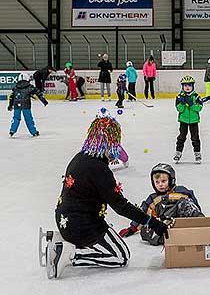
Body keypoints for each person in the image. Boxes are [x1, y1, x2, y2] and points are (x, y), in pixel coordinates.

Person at [45, 110, 170, 279]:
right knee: (120, 257)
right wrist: (152, 223)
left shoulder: (80, 157)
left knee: (115, 248)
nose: (117, 149)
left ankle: (63, 243)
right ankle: (72, 254)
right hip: (82, 225)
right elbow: (120, 206)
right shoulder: (99, 169)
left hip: (66, 219)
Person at [119, 163, 203, 245]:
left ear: (171, 180)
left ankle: (200, 224)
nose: (160, 185)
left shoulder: (181, 191)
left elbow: (192, 203)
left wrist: (198, 215)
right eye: (157, 182)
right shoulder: (153, 199)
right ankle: (169, 237)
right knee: (146, 230)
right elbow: (143, 213)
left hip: (182, 223)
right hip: (165, 226)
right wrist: (132, 228)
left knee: (185, 202)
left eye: (163, 181)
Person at [173, 75, 203, 163]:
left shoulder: (196, 97)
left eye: (189, 85)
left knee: (195, 137)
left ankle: (197, 153)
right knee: (181, 137)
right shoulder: (179, 97)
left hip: (194, 121)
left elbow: (199, 108)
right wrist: (182, 103)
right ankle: (178, 153)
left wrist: (191, 104)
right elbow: (179, 109)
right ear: (182, 87)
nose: (187, 87)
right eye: (185, 85)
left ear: (192, 86)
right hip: (183, 121)